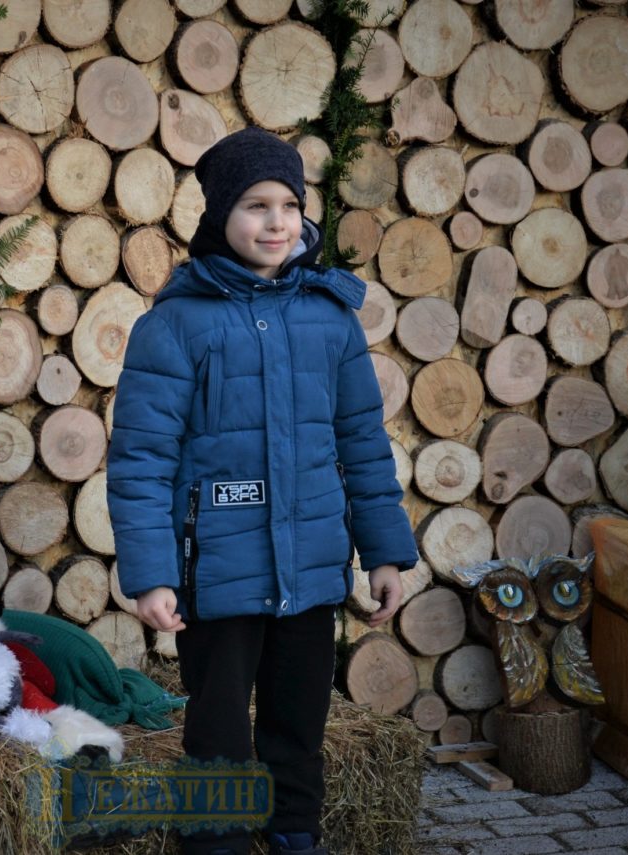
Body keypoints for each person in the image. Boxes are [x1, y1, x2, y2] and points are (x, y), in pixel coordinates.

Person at [106, 127, 419, 855]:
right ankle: (212, 841)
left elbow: (363, 447)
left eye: (287, 204)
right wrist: (151, 573)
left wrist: (384, 553)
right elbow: (142, 459)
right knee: (217, 727)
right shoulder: (174, 325)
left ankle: (294, 833)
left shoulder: (330, 321)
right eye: (255, 205)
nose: (276, 222)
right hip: (217, 571)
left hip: (310, 566)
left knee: (298, 719)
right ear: (219, 215)